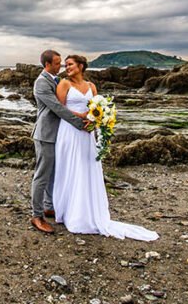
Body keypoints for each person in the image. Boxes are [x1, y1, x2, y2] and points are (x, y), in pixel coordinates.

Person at [52, 54, 159, 241]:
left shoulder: (91, 86)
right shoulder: (63, 84)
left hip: (87, 134)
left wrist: (96, 119)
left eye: (70, 64)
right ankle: (66, 211)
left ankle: (86, 210)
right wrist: (83, 116)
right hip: (69, 131)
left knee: (86, 168)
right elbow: (59, 109)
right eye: (65, 65)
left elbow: (97, 108)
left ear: (81, 66)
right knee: (70, 167)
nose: (66, 67)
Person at [29, 49, 88, 234]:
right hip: (45, 134)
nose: (61, 66)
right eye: (57, 63)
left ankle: (49, 206)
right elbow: (56, 108)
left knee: (54, 173)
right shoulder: (41, 83)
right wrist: (80, 122)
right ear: (47, 65)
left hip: (59, 134)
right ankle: (36, 216)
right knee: (42, 175)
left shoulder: (56, 81)